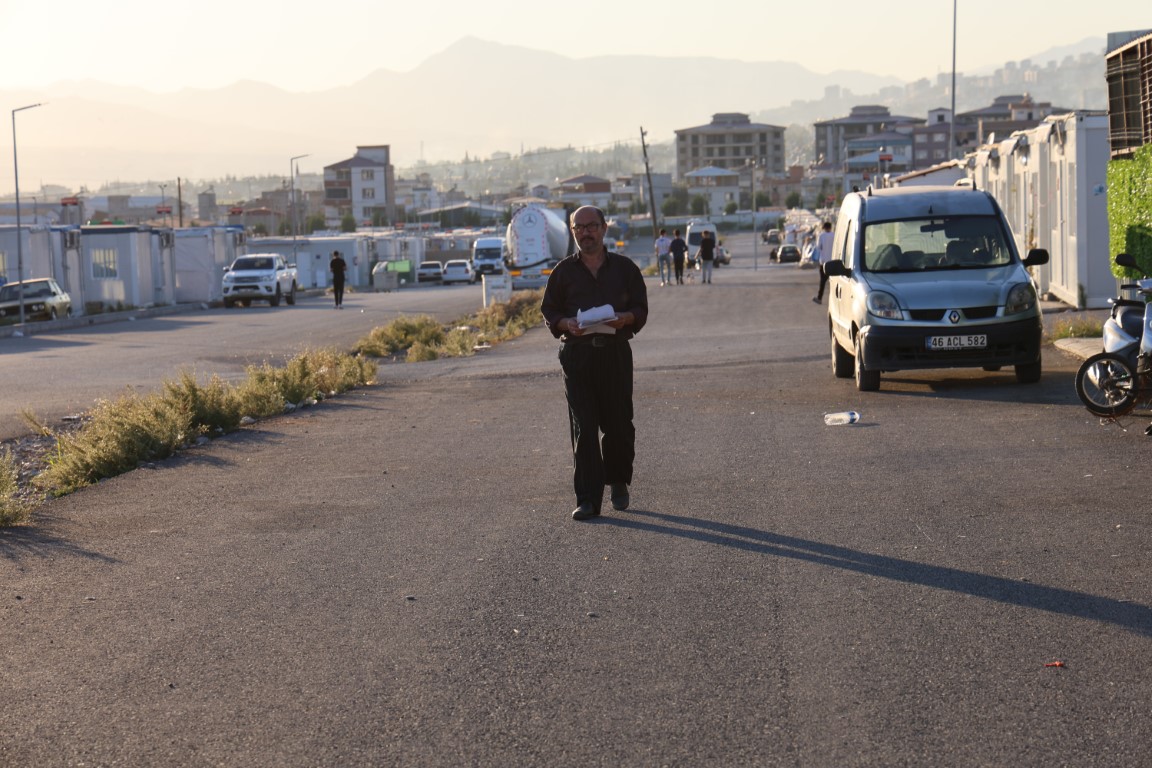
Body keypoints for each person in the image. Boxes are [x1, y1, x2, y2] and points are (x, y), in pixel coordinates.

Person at [540, 205, 649, 521]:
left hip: (614, 353)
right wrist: (565, 324)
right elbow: (550, 311)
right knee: (584, 427)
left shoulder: (625, 269)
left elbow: (640, 309)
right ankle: (587, 499)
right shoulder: (562, 272)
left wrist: (625, 318)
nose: (585, 232)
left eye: (591, 226)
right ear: (573, 232)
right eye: (579, 228)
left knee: (618, 424)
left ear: (604, 228)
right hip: (577, 357)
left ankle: (617, 481)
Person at [812, 221, 834, 304]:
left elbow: (818, 247)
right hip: (833, 262)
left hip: (824, 262)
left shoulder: (821, 236)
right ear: (830, 227)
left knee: (822, 282)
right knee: (833, 282)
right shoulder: (834, 235)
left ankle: (819, 298)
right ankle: (834, 300)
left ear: (824, 228)